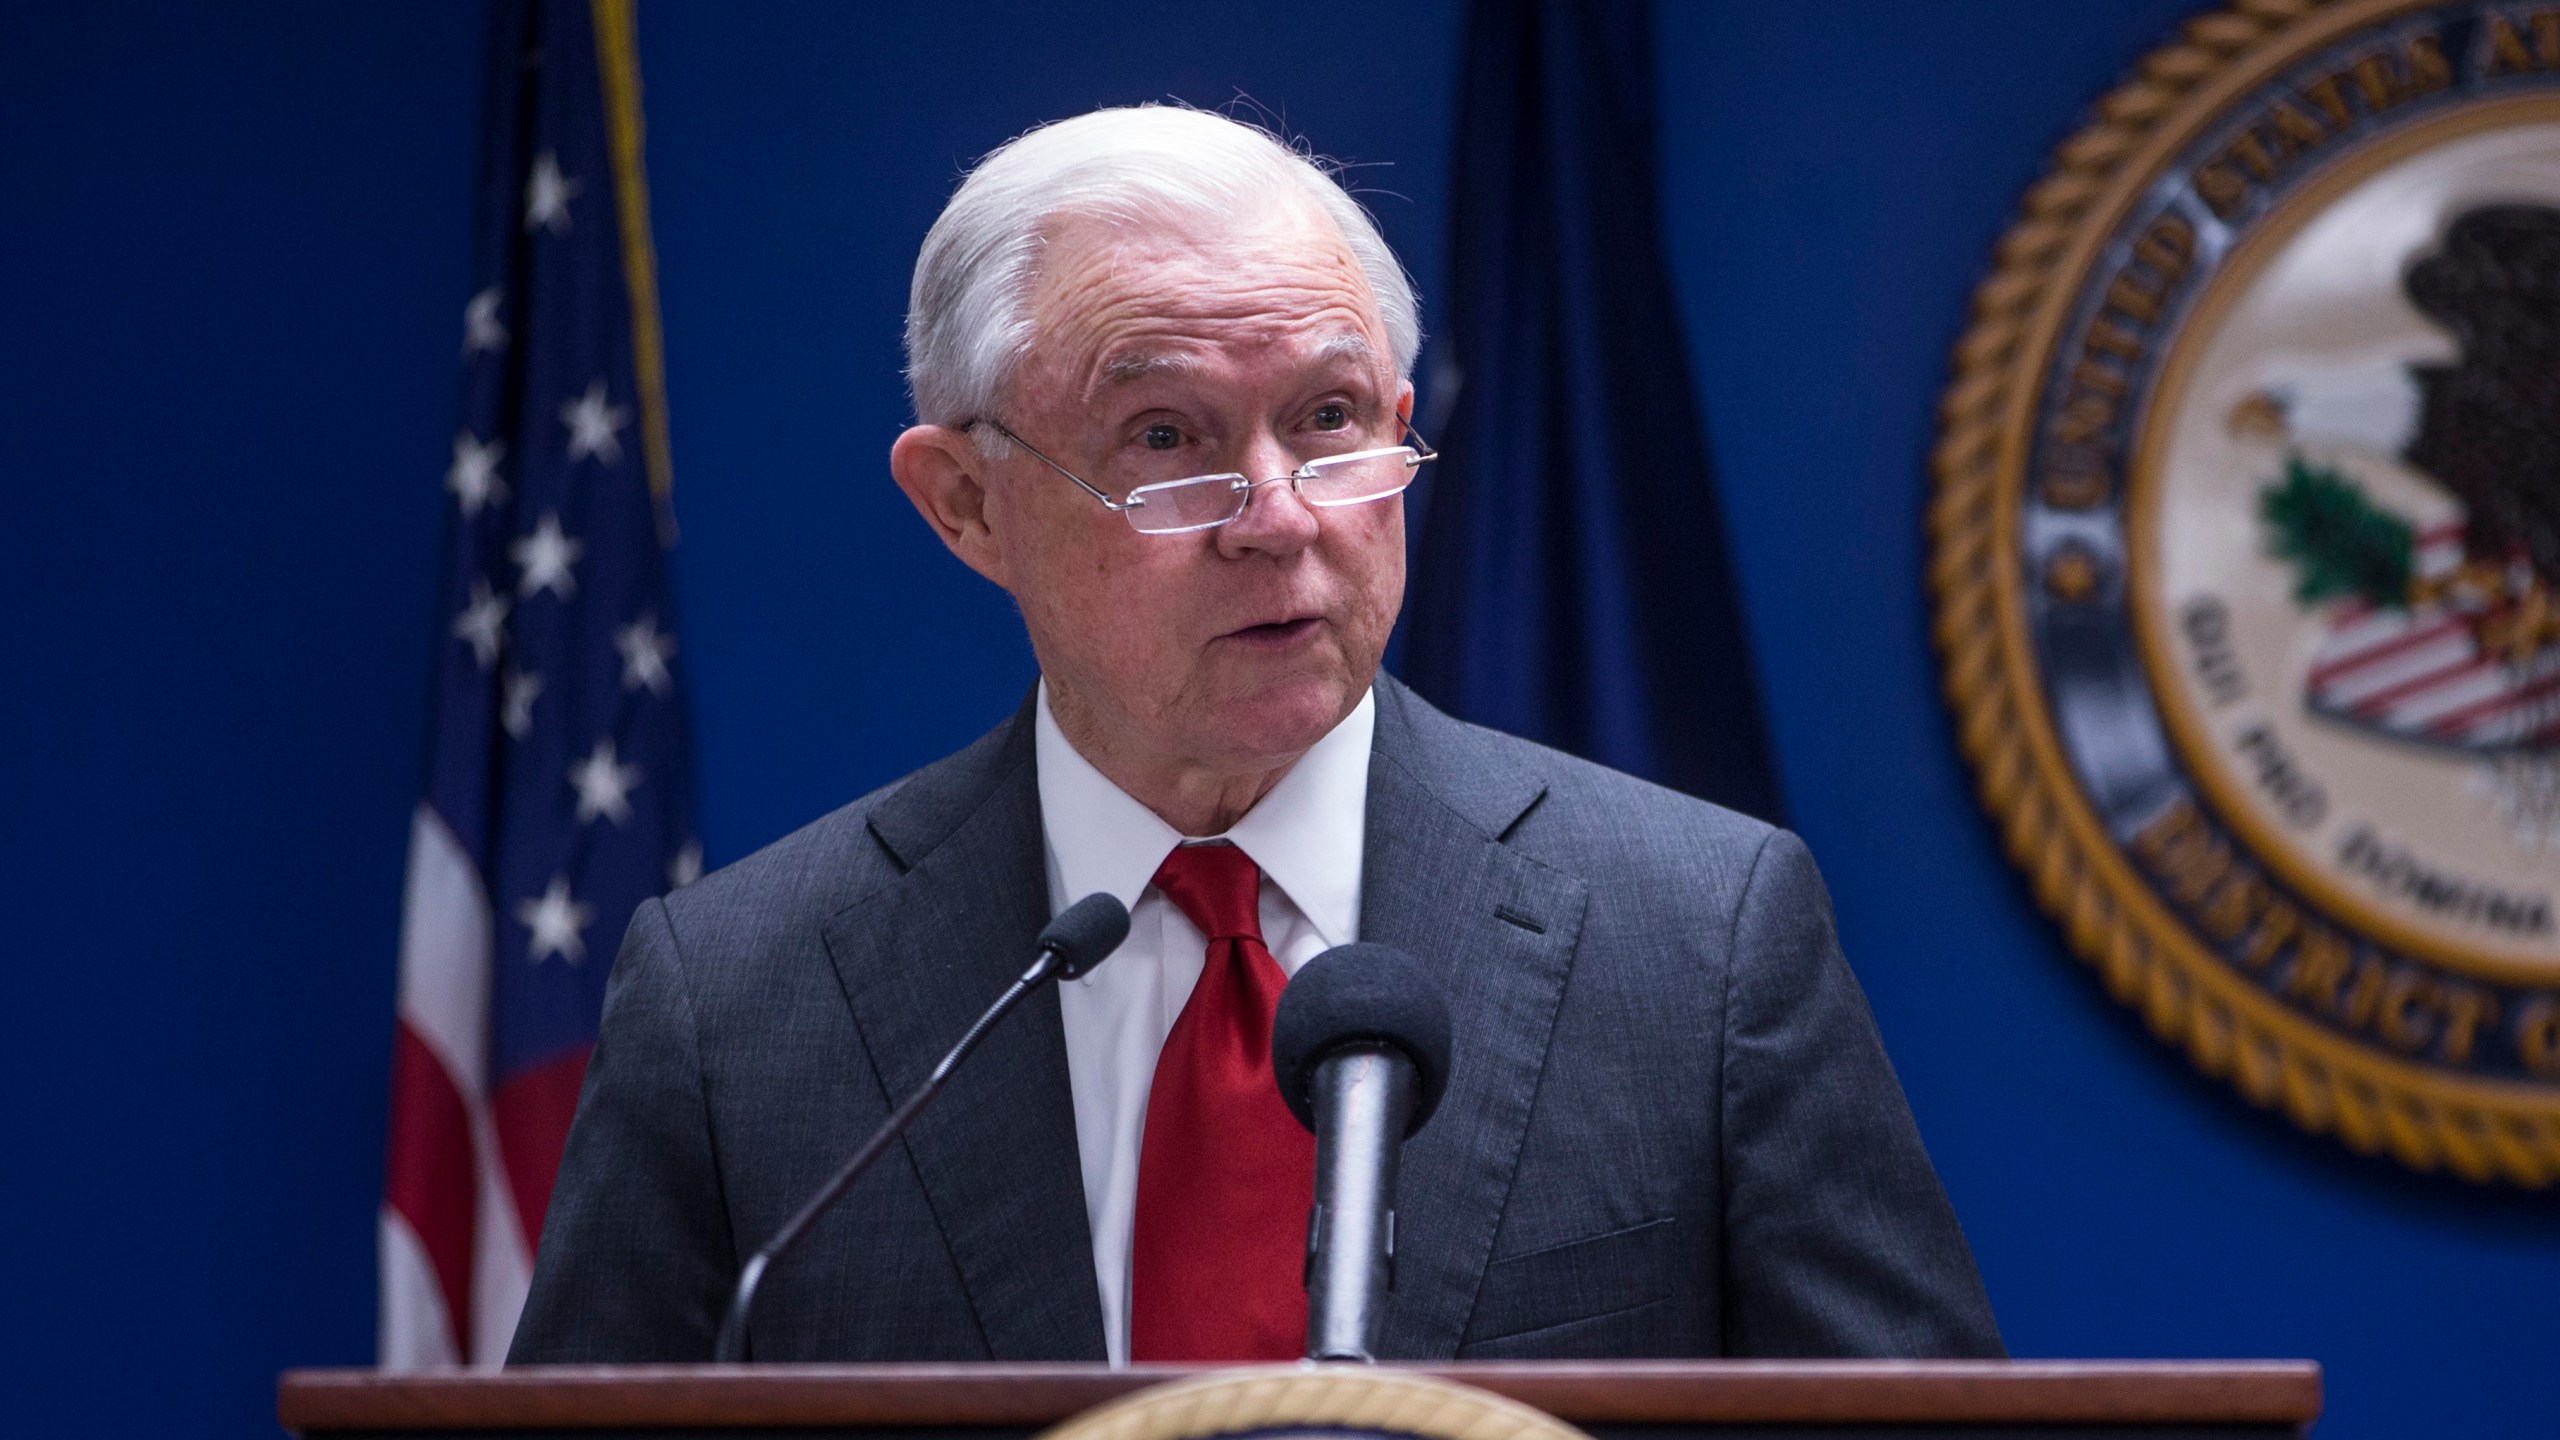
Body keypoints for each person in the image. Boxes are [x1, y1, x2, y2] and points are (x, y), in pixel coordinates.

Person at [509, 105, 2001, 1365]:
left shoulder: (1701, 937)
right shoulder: (737, 1002)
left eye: (1333, 419)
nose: (1280, 518)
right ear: (965, 503)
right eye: (1166, 436)